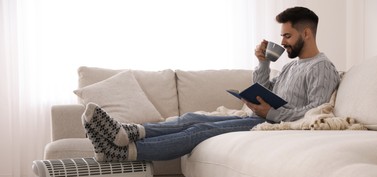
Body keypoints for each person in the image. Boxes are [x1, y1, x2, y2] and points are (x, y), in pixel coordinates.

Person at [82, 6, 340, 162]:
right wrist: (261, 63)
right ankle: (126, 133)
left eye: (287, 35)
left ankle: (123, 152)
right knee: (191, 118)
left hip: (272, 124)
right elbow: (267, 90)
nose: (282, 41)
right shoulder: (292, 65)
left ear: (306, 33)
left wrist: (270, 112)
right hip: (262, 116)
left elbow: (314, 113)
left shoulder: (322, 67)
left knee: (198, 131)